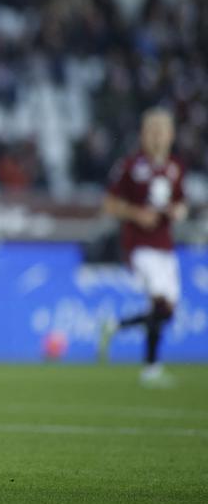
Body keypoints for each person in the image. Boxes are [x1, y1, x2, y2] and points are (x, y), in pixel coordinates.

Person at [99, 108, 188, 387]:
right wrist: (137, 214)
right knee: (160, 301)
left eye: (162, 131)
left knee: (167, 310)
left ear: (171, 135)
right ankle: (150, 369)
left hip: (165, 245)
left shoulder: (175, 167)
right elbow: (109, 203)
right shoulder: (130, 166)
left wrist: (178, 212)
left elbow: (182, 203)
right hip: (139, 245)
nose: (157, 137)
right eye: (152, 131)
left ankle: (117, 327)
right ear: (143, 134)